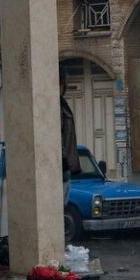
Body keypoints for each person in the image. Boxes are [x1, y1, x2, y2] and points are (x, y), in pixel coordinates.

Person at [60, 67, 81, 206]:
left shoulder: (62, 104)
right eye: (65, 82)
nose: (67, 86)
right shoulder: (53, 104)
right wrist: (63, 162)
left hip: (64, 170)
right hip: (60, 169)